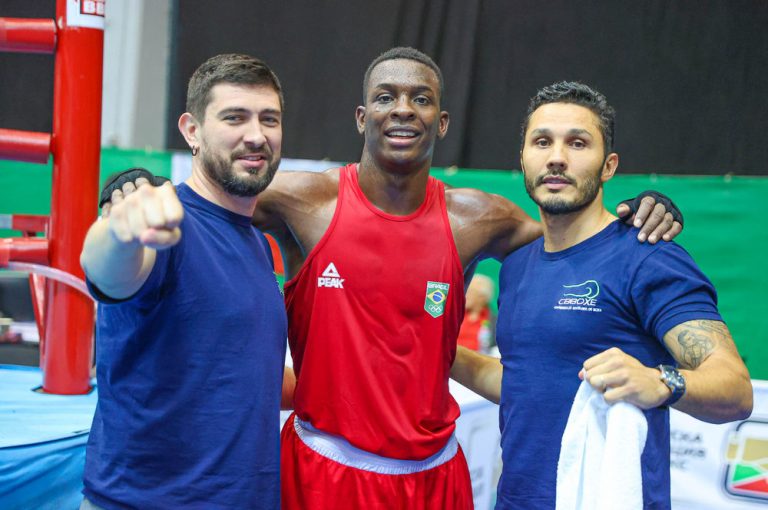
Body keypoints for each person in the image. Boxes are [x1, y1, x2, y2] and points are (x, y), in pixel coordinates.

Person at [104, 48, 682, 509]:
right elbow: (213, 191)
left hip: (435, 477)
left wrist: (638, 210)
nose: (402, 109)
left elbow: (579, 238)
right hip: (322, 470)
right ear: (363, 116)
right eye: (386, 97)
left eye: (420, 99)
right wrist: (137, 184)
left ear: (441, 119)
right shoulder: (303, 200)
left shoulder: (482, 218)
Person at [450, 81, 753, 509]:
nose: (557, 157)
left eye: (577, 143)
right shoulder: (518, 266)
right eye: (542, 142)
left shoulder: (648, 256)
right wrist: (440, 352)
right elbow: (523, 381)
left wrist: (660, 381)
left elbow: (736, 390)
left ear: (608, 166)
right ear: (523, 158)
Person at [79, 54, 288, 510]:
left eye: (268, 119)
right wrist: (117, 231)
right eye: (235, 117)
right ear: (192, 130)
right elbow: (107, 272)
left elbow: (243, 373)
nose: (256, 135)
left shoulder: (254, 242)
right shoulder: (166, 223)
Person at [457, 274, 496, 352]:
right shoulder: (456, 316)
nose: (465, 295)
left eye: (469, 291)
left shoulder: (494, 321)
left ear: (482, 297)